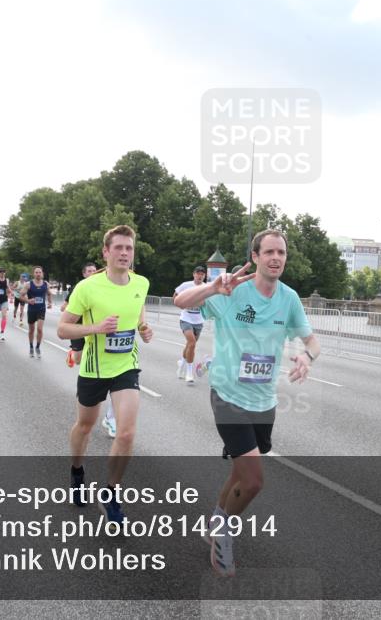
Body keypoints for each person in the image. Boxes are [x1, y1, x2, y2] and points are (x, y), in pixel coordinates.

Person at [173, 229, 320, 577]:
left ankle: (215, 520)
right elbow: (181, 302)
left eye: (281, 252)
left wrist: (306, 358)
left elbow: (312, 341)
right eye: (268, 252)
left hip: (263, 400)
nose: (276, 258)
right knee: (253, 480)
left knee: (240, 471)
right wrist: (212, 287)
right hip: (227, 395)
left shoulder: (289, 298)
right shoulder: (231, 291)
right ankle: (224, 534)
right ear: (254, 257)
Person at [57, 226, 152, 523]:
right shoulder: (87, 288)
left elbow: (137, 316)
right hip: (94, 369)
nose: (125, 253)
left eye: (129, 248)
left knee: (126, 433)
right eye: (119, 247)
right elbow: (62, 329)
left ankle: (110, 495)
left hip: (126, 367)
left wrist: (144, 328)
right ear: (106, 252)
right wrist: (95, 328)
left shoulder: (141, 283)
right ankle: (76, 470)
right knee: (85, 426)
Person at [63, 263, 116, 436]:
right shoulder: (80, 289)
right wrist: (72, 308)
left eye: (95, 271)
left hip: (97, 333)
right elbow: (65, 308)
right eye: (89, 271)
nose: (93, 273)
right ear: (84, 273)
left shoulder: (102, 288)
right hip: (79, 329)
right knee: (78, 359)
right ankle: (73, 353)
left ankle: (111, 417)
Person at [175, 266, 208, 385]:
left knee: (190, 345)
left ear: (204, 276)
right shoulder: (186, 285)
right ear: (194, 274)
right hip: (186, 319)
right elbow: (175, 297)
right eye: (198, 273)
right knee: (192, 343)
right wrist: (184, 305)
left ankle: (182, 363)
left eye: (202, 274)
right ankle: (189, 373)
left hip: (199, 321)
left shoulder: (206, 287)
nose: (200, 276)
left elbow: (209, 302)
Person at [19, 266, 52, 357]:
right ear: (33, 274)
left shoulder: (46, 284)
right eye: (36, 272)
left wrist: (50, 303)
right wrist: (28, 301)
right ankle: (31, 347)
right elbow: (21, 296)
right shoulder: (28, 284)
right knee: (31, 330)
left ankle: (37, 347)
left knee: (40, 329)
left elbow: (49, 294)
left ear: (42, 274)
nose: (38, 274)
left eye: (39, 272)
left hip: (41, 309)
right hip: (31, 310)